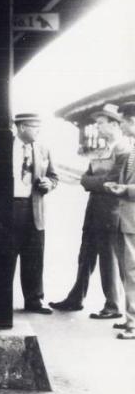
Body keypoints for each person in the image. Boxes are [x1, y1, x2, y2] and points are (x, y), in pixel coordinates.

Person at [50, 104, 129, 318]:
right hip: (95, 208)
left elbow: (111, 181)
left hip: (111, 210)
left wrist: (88, 181)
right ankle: (76, 298)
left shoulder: (123, 149)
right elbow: (92, 177)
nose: (99, 127)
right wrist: (90, 181)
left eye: (102, 123)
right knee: (85, 255)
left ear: (114, 124)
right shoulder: (105, 149)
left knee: (107, 258)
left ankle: (113, 305)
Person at [11, 112, 58, 315]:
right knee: (6, 255)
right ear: (22, 127)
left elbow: (54, 176)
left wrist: (50, 183)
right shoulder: (3, 146)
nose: (38, 131)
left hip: (34, 208)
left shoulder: (43, 148)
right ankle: (0, 299)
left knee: (34, 256)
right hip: (9, 207)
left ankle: (34, 300)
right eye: (34, 126)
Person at [104, 102, 135, 340]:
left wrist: (123, 188)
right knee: (128, 270)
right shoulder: (132, 148)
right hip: (127, 217)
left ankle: (134, 324)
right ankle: (130, 318)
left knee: (133, 270)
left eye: (123, 120)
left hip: (132, 217)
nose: (121, 124)